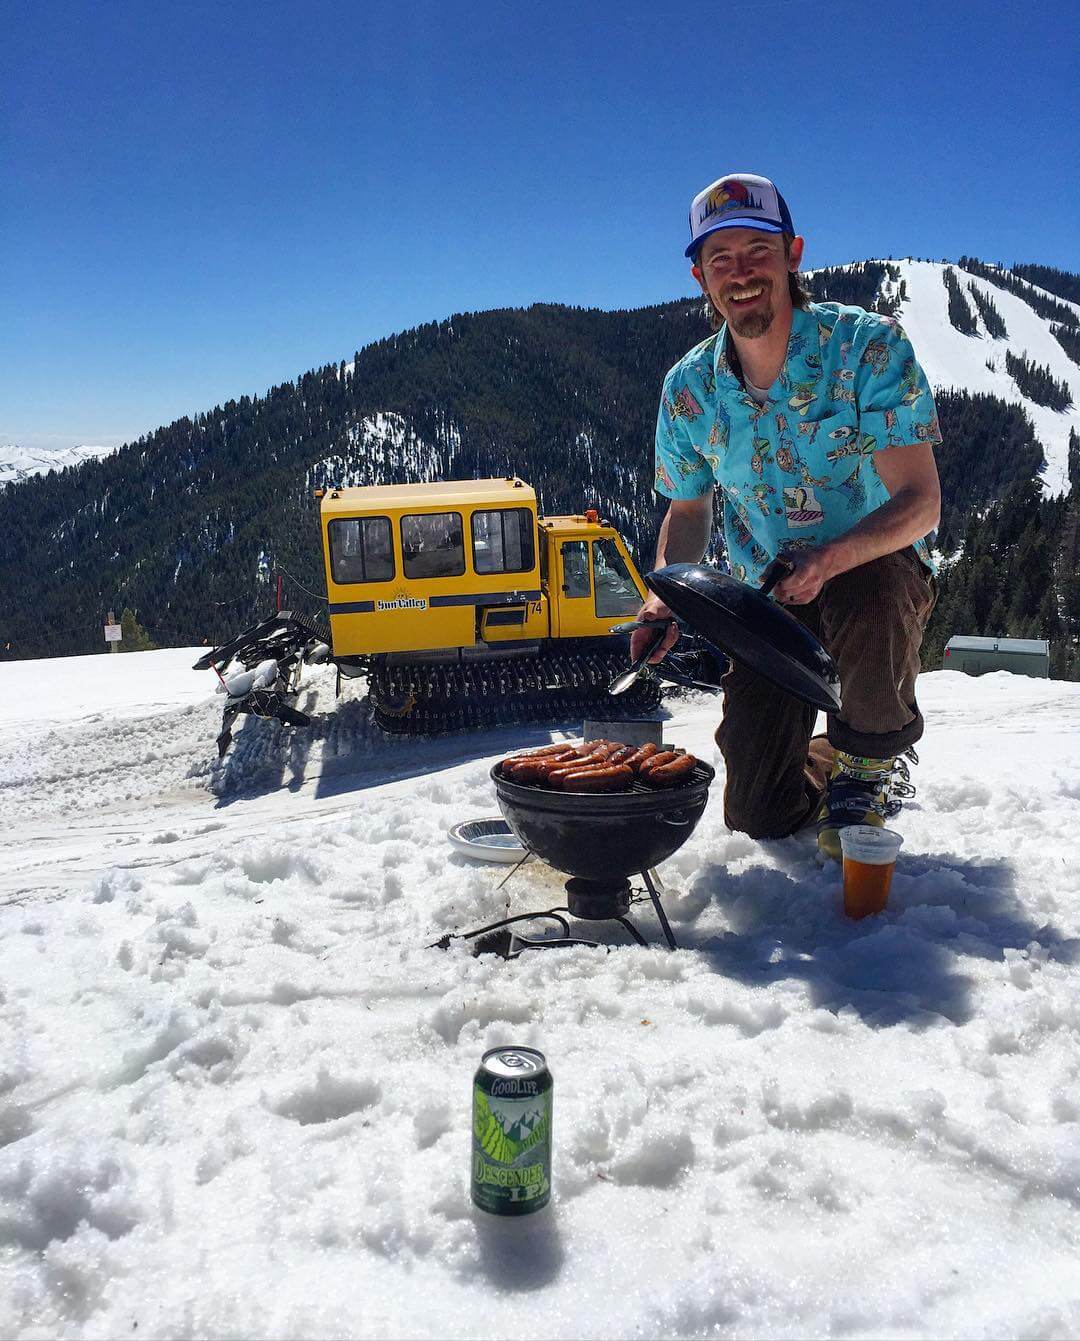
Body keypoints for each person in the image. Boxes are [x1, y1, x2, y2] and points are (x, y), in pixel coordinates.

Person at [633, 172, 941, 859]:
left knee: (870, 589)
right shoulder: (688, 391)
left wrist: (831, 557)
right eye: (721, 261)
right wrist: (664, 596)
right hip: (773, 599)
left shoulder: (866, 349)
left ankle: (871, 762)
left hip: (875, 573)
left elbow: (921, 501)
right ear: (700, 278)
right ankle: (833, 758)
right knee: (757, 815)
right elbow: (688, 510)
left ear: (793, 253)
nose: (740, 274)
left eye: (756, 252)